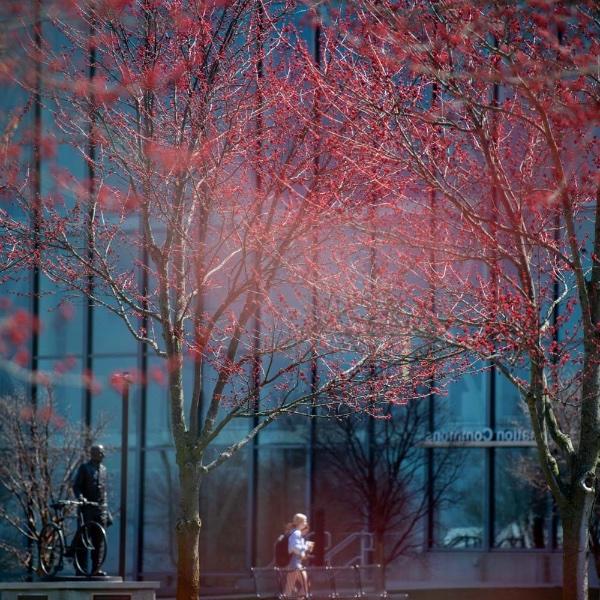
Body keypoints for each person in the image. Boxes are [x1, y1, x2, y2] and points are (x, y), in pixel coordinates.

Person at [72, 444, 112, 576]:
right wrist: (81, 498)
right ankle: (80, 569)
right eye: (100, 453)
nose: (103, 455)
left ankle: (96, 569)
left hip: (101, 510)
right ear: (93, 454)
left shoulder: (104, 470)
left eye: (103, 453)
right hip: (87, 509)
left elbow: (104, 492)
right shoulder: (84, 468)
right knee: (84, 539)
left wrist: (107, 511)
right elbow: (76, 486)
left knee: (99, 540)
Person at [284, 513, 314, 598]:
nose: (306, 523)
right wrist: (306, 547)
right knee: (303, 585)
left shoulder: (293, 532)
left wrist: (304, 550)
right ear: (299, 522)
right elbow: (294, 547)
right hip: (294, 563)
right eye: (304, 521)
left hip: (294, 563)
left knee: (293, 587)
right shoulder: (296, 533)